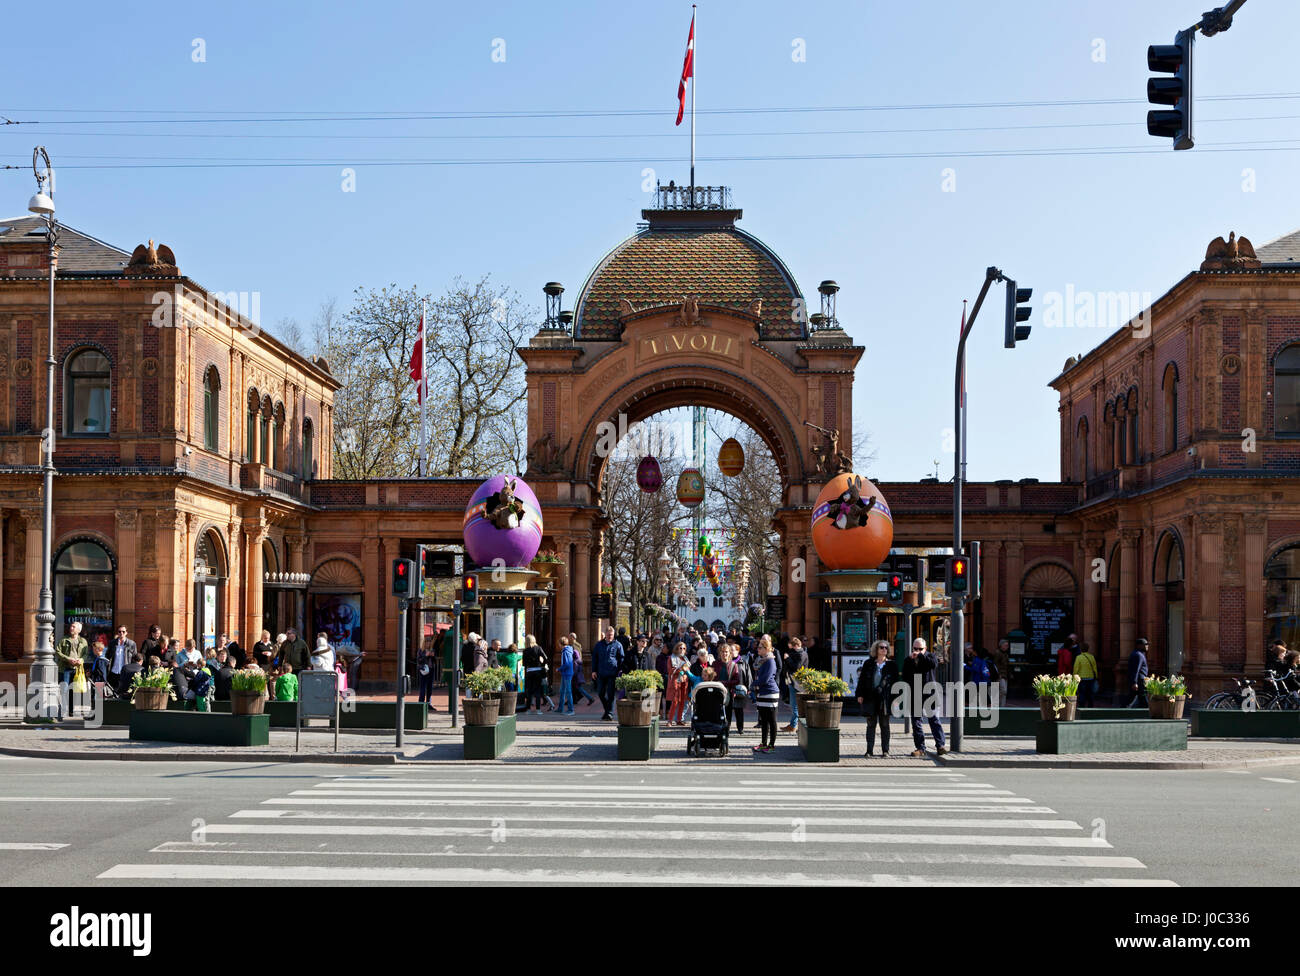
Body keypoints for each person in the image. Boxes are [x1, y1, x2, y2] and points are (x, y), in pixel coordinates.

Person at [901, 637, 946, 757]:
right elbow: (905, 676)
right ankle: (920, 748)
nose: (917, 651)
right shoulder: (908, 660)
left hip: (930, 693)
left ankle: (940, 746)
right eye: (915, 648)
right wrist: (911, 661)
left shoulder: (930, 656)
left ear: (925, 648)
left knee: (934, 720)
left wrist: (920, 656)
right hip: (915, 693)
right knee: (916, 723)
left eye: (920, 649)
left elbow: (932, 665)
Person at [856, 640, 897, 757]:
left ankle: (885, 751)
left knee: (884, 725)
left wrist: (895, 700)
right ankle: (869, 751)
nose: (884, 649)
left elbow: (895, 684)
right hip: (870, 698)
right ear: (876, 650)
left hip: (885, 699)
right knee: (870, 725)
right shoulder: (868, 663)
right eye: (881, 647)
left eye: (886, 648)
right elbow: (862, 681)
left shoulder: (891, 665)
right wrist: (860, 694)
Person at [751, 635, 781, 753]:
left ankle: (771, 745)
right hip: (763, 693)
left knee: (771, 720)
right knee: (764, 720)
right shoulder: (763, 660)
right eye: (758, 647)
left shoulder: (770, 661)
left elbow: (765, 679)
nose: (758, 649)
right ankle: (763, 743)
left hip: (770, 693)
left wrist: (753, 683)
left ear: (767, 649)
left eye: (760, 648)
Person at [592, 626, 624, 720]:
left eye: (612, 635)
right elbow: (595, 658)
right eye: (608, 634)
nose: (610, 636)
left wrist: (620, 670)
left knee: (611, 694)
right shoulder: (599, 645)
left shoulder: (618, 645)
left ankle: (609, 713)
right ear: (605, 634)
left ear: (614, 635)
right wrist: (593, 670)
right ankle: (607, 710)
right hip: (601, 672)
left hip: (612, 673)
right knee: (600, 693)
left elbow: (621, 658)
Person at [55, 622, 90, 695]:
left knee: (75, 691)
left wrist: (81, 660)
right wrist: (68, 659)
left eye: (73, 627)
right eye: (71, 626)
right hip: (65, 668)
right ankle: (63, 706)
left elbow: (86, 654)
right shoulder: (63, 640)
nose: (71, 628)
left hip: (77, 670)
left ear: (79, 630)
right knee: (64, 690)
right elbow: (58, 652)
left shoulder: (83, 641)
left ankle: (71, 706)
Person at [781, 636, 807, 732]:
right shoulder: (797, 653)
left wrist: (788, 659)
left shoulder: (801, 654)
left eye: (791, 646)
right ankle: (793, 724)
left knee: (794, 705)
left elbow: (796, 667)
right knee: (793, 704)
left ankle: (793, 725)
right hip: (793, 681)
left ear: (795, 645)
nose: (789, 649)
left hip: (796, 683)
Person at [521, 635, 548, 713]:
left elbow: (524, 664)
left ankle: (528, 709)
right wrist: (542, 664)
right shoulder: (538, 648)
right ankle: (538, 710)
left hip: (529, 672)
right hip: (538, 671)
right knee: (538, 691)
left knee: (529, 691)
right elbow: (546, 658)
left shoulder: (525, 651)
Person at [108, 625, 136, 690]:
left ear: (126, 633)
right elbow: (108, 655)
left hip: (125, 672)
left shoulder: (131, 644)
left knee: (124, 691)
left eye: (123, 632)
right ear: (117, 633)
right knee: (112, 691)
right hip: (114, 672)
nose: (121, 633)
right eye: (119, 631)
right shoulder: (112, 643)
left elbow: (134, 658)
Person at [1073, 642, 1100, 707]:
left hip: (1082, 678)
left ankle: (1082, 706)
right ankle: (1090, 706)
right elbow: (1094, 668)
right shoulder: (1091, 657)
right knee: (1090, 693)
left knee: (1082, 693)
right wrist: (1096, 676)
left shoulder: (1079, 657)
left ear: (1080, 649)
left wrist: (1074, 677)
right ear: (1088, 649)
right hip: (1091, 678)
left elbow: (1076, 668)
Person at [555, 638, 577, 715]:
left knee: (568, 691)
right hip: (566, 673)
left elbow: (567, 664)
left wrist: (559, 669)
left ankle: (571, 710)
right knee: (562, 691)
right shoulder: (567, 650)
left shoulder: (565, 652)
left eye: (559, 644)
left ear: (561, 644)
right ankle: (560, 708)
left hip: (567, 673)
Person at [653, 636, 672, 718]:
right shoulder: (659, 657)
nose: (662, 648)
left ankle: (668, 713)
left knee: (668, 696)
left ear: (668, 649)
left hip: (669, 678)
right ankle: (660, 712)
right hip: (660, 677)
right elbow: (657, 667)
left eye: (664, 647)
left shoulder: (671, 658)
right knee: (660, 695)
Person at [1128, 638, 1150, 708]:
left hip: (1140, 680)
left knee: (1134, 699)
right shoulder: (1138, 655)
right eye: (1145, 644)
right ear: (1139, 646)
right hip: (1140, 681)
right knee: (1143, 699)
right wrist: (1134, 682)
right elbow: (1135, 670)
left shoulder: (1138, 654)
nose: (1147, 646)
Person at [417, 643, 437, 707]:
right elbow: (419, 660)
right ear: (424, 643)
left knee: (430, 688)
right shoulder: (421, 650)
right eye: (427, 642)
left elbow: (435, 661)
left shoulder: (432, 650)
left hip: (431, 671)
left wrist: (433, 656)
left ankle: (429, 703)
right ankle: (421, 703)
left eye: (429, 642)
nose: (428, 643)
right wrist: (425, 655)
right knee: (423, 687)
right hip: (424, 671)